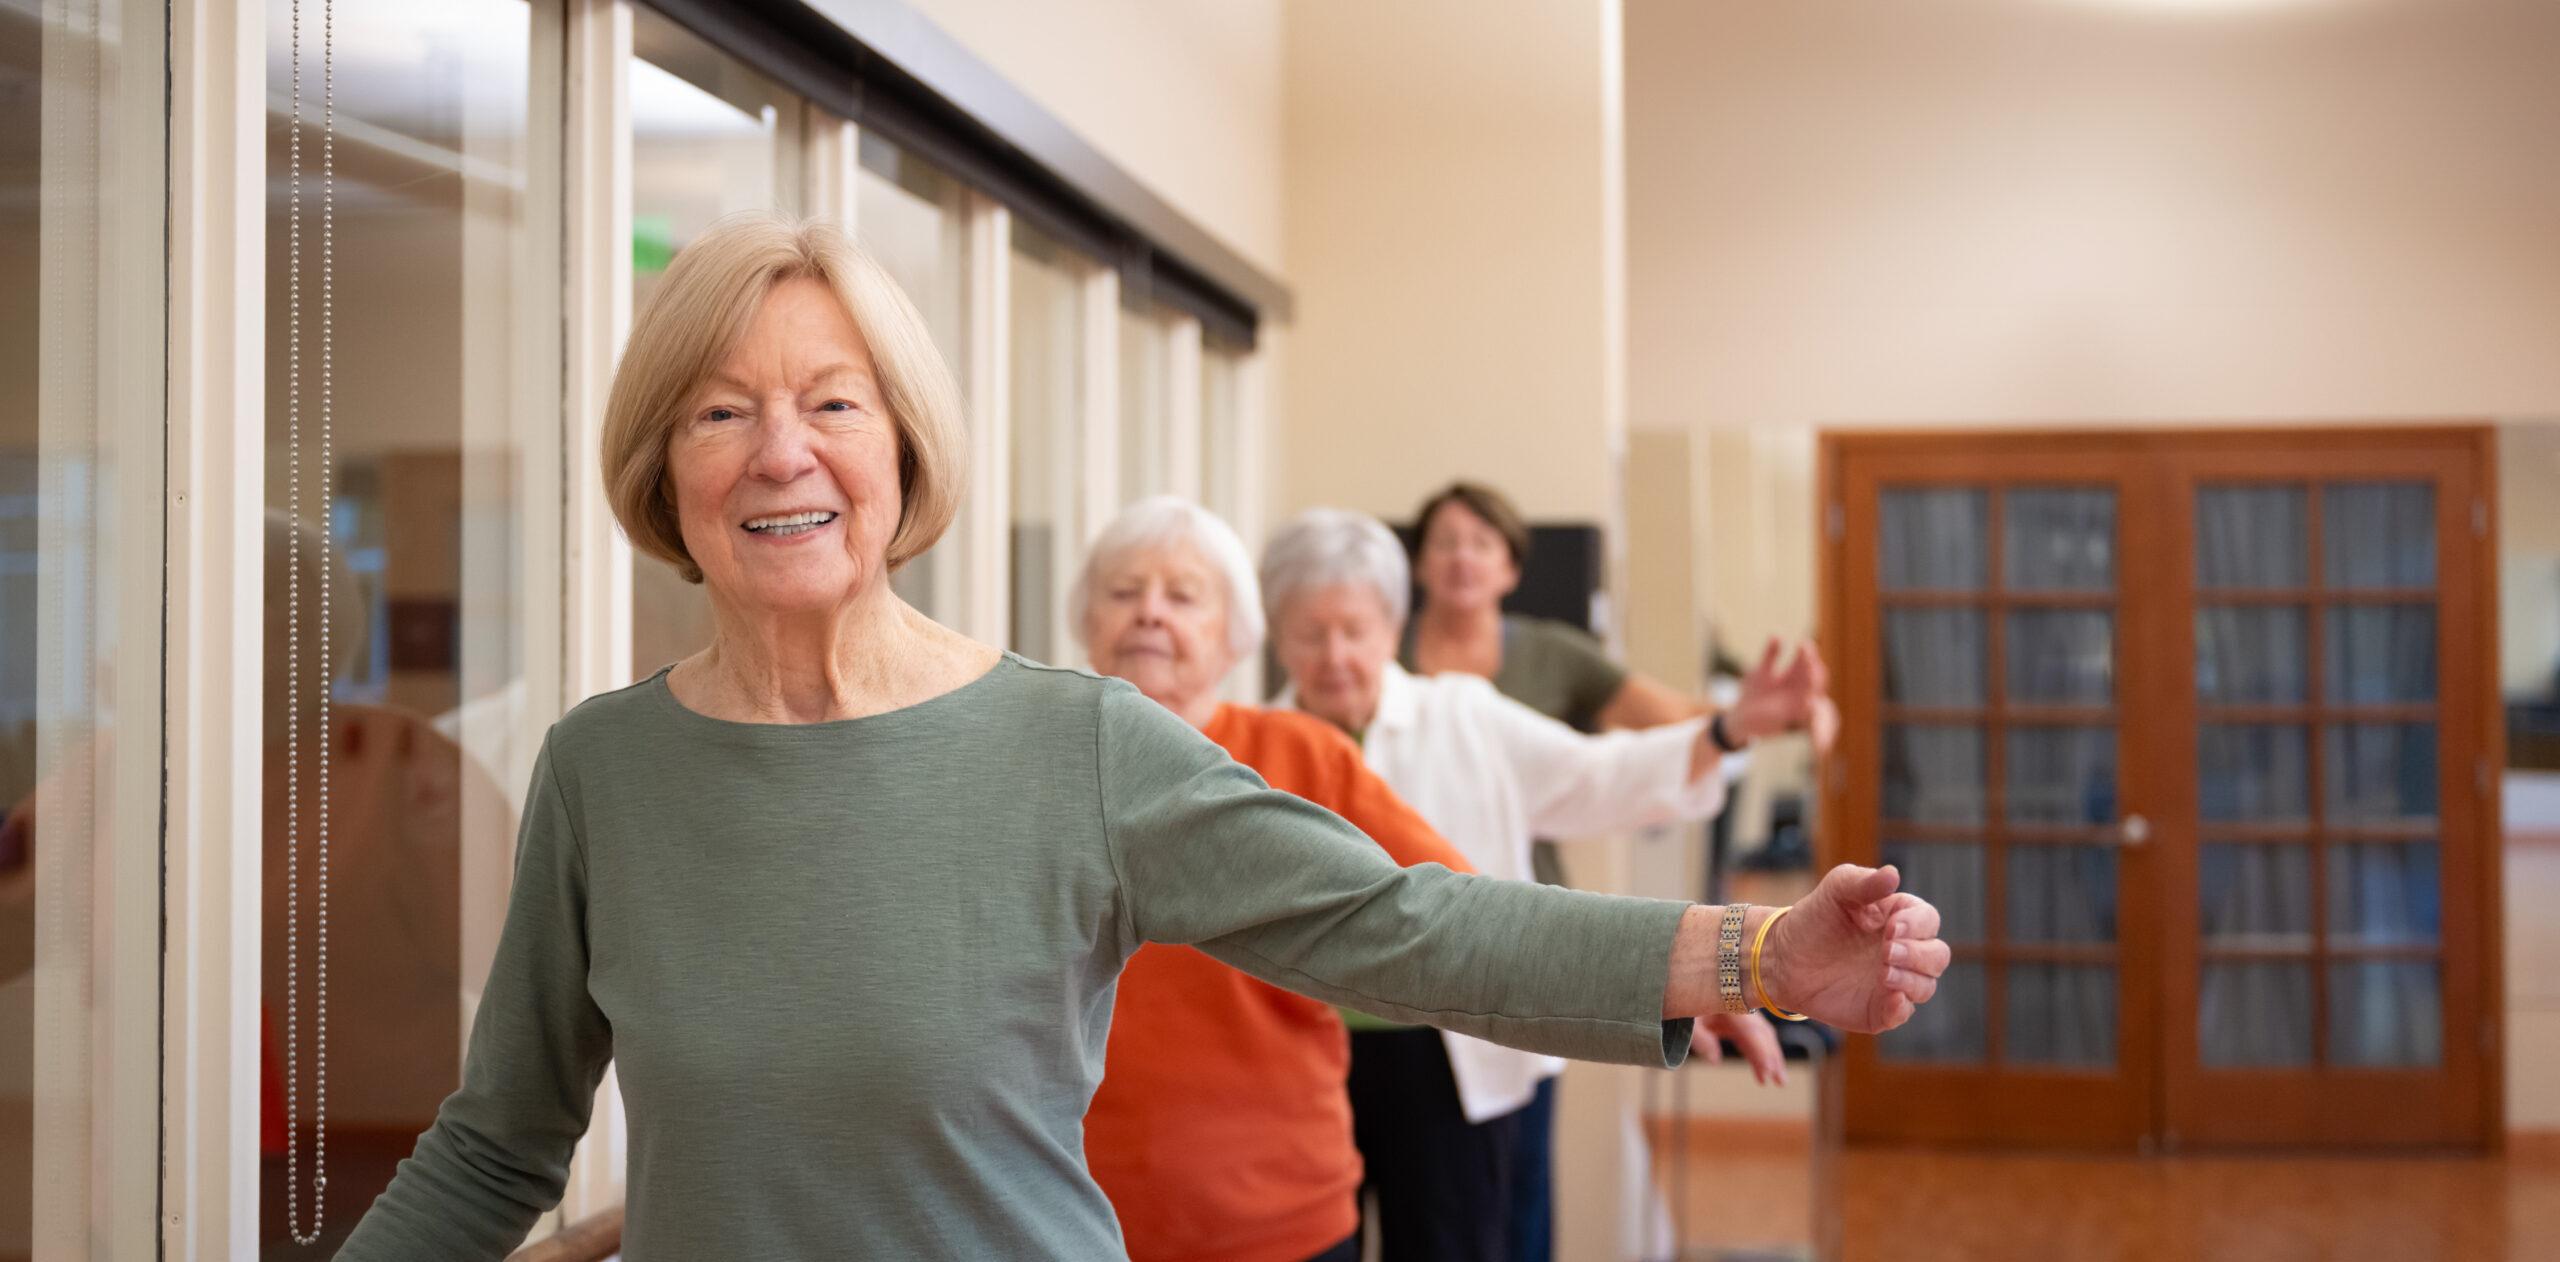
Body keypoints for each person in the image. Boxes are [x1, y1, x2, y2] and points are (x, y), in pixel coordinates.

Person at [333, 212, 1947, 1260]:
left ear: (903, 450)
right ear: (660, 467)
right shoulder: (606, 775)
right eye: (719, 408)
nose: (781, 453)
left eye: (833, 401)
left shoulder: (1075, 745)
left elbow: (1411, 924)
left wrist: (1754, 956)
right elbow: (494, 1145)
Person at [1071, 496, 1794, 1262]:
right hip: (1107, 1195)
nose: (1150, 615)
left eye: (1182, 595)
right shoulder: (1060, 767)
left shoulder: (1307, 751)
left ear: (1233, 635)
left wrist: (1665, 973)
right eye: (1123, 592)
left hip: (1358, 1117)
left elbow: (1476, 907)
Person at [1261, 508, 1855, 1262]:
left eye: (1354, 629)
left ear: (1391, 627)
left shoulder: (1463, 715)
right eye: (1310, 634)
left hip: (1446, 1050)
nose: (1334, 655)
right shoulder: (1245, 745)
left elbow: (1599, 775)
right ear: (1278, 638)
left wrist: (1728, 730)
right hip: (1299, 1054)